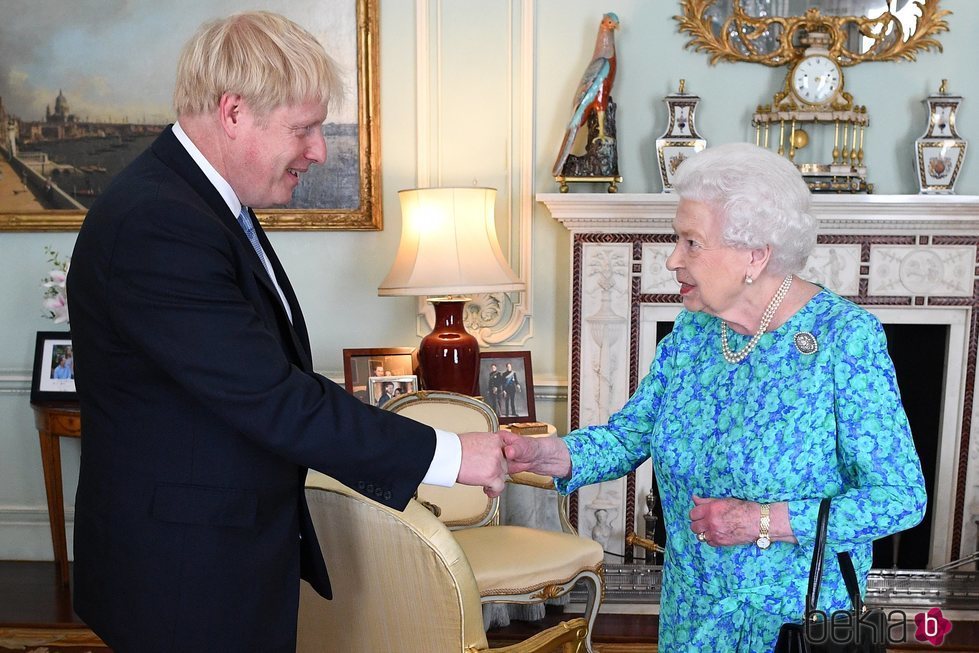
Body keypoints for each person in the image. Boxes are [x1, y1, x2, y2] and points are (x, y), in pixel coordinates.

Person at [66, 12, 507, 653]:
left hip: (213, 557)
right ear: (235, 112)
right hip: (184, 577)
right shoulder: (159, 222)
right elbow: (272, 394)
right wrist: (453, 455)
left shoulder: (203, 202)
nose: (320, 150)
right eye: (303, 129)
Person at [502, 143, 927, 652]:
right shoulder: (694, 331)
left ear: (756, 255)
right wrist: (550, 454)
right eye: (676, 239)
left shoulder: (845, 339)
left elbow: (900, 497)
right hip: (693, 614)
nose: (672, 259)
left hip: (795, 622)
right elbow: (630, 435)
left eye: (692, 243)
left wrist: (761, 521)